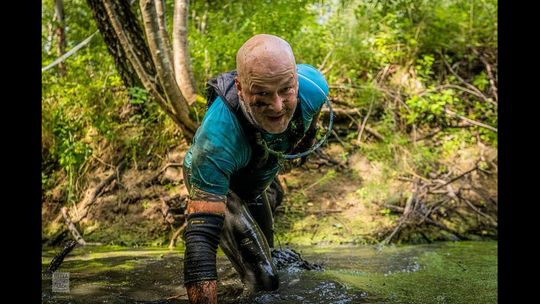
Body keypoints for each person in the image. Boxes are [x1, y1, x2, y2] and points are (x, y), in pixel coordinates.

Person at [181, 33, 329, 303]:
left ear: (296, 79)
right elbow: (200, 241)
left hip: (255, 181)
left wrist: (307, 135)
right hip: (219, 187)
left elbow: (314, 109)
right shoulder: (215, 140)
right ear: (240, 88)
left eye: (286, 89)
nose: (277, 106)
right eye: (261, 93)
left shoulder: (314, 87)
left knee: (268, 256)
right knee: (265, 279)